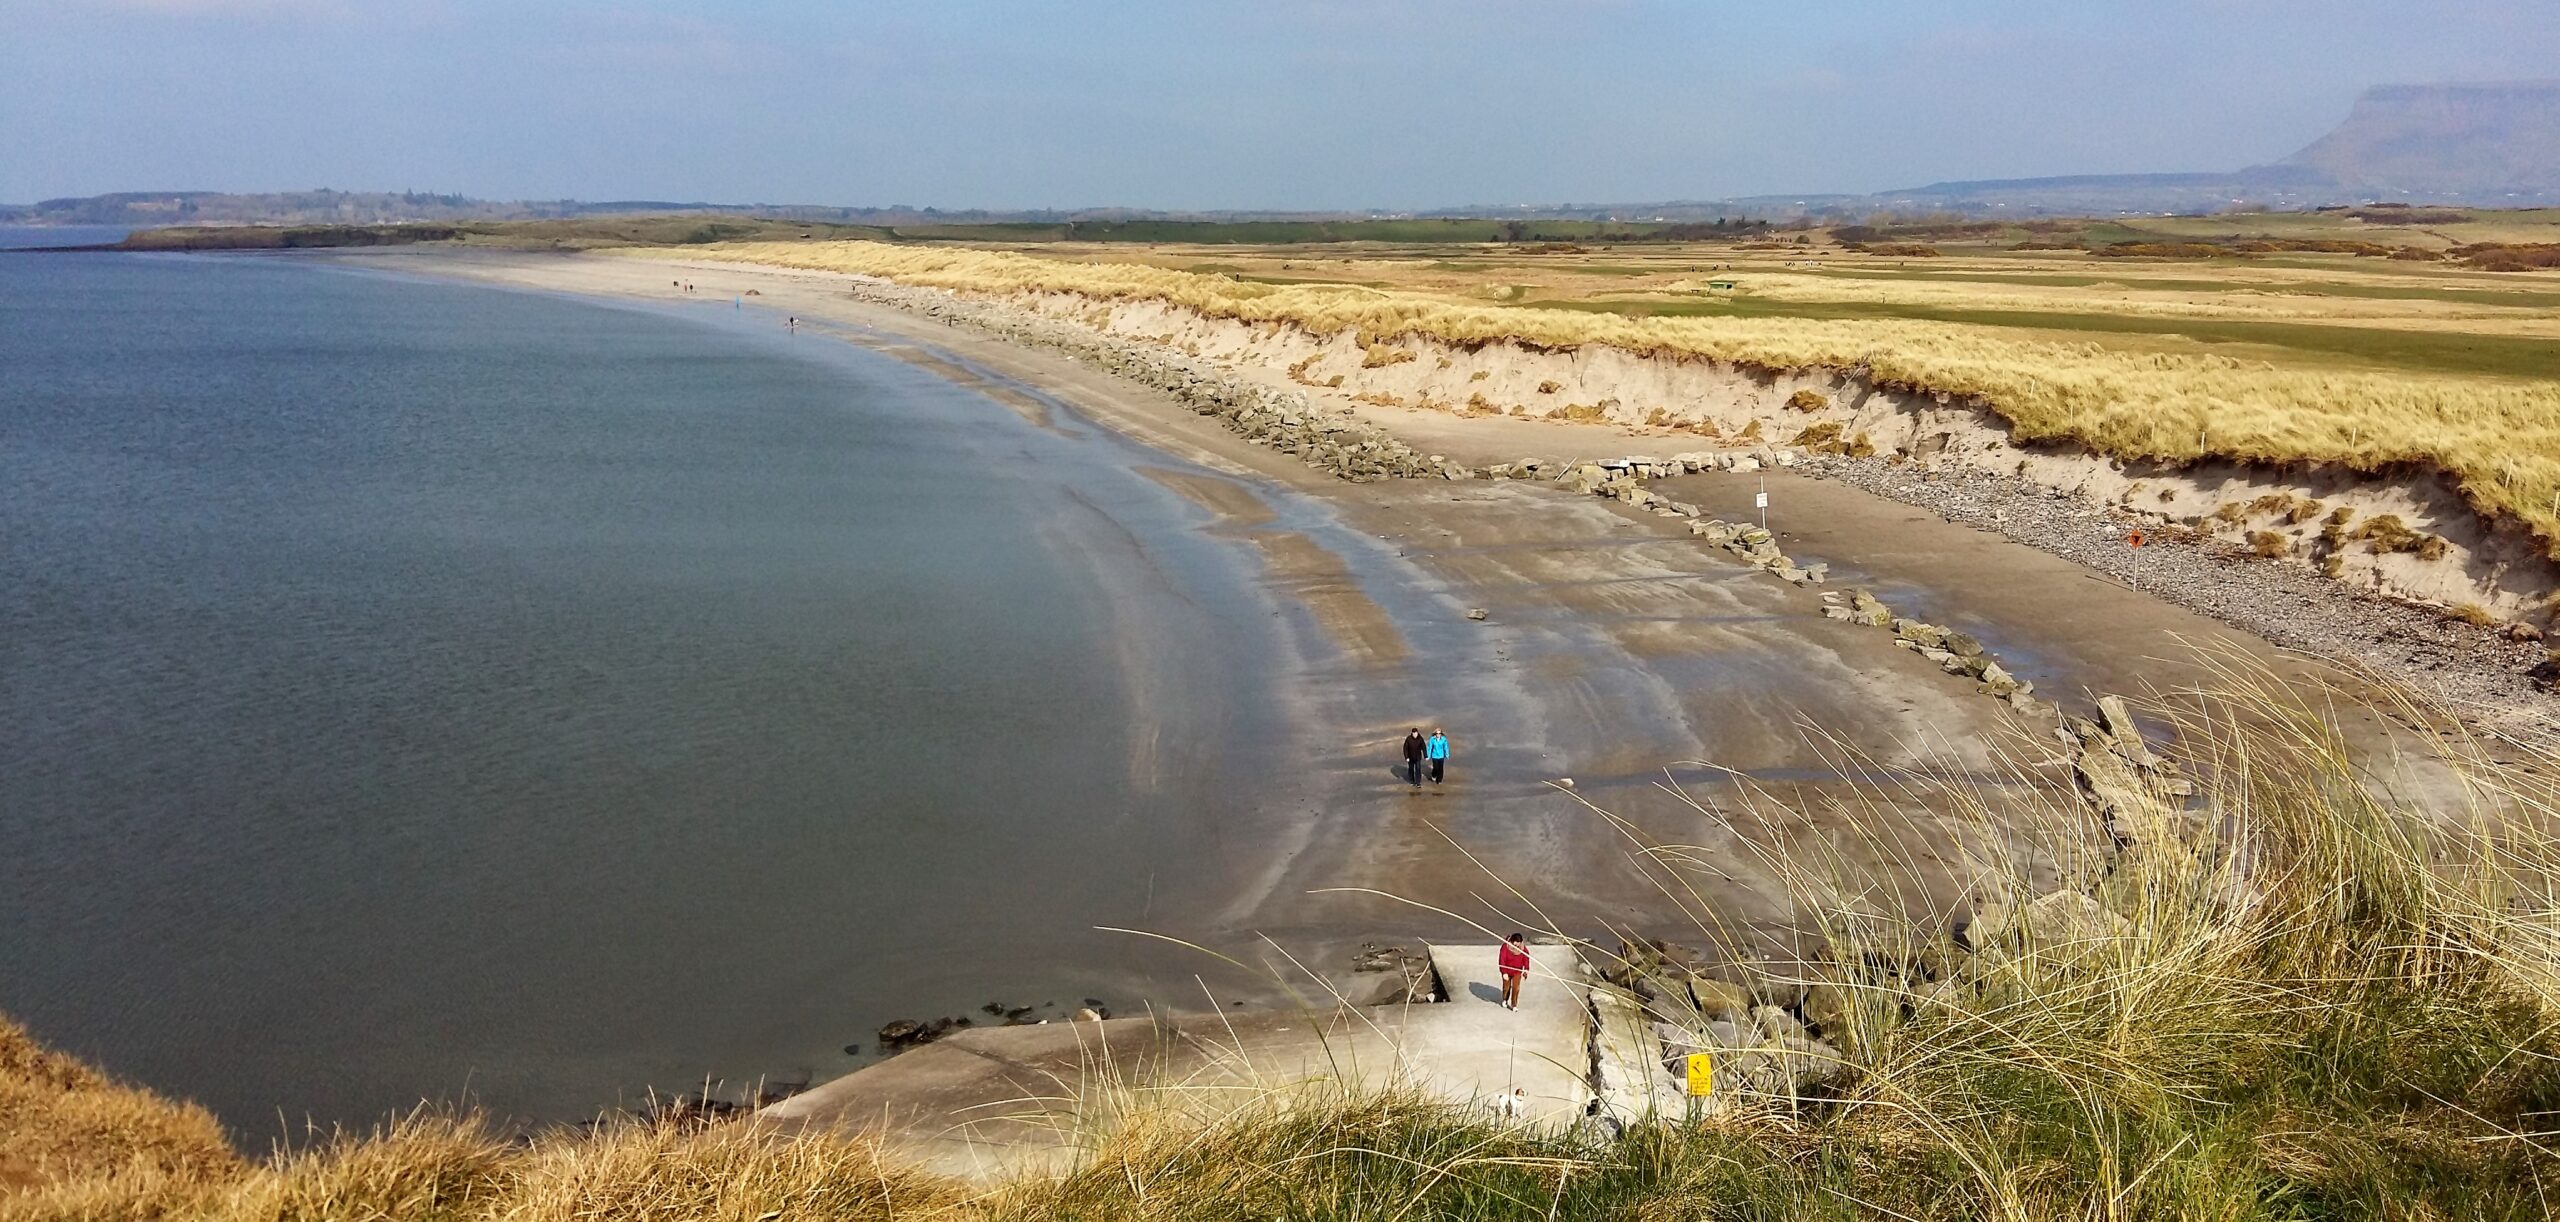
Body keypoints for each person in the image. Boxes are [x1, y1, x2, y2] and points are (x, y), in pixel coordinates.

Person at [1497, 933, 1530, 1010]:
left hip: (1517, 971)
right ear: (1512, 941)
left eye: (1519, 942)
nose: (1517, 944)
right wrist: (1504, 972)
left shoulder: (1523, 948)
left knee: (1516, 988)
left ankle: (1514, 1004)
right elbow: (1502, 960)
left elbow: (1526, 959)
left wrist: (1526, 970)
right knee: (1506, 987)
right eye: (1516, 942)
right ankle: (1505, 999)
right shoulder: (1505, 947)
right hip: (1507, 971)